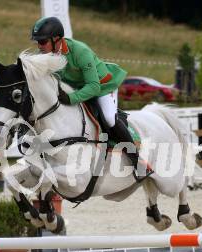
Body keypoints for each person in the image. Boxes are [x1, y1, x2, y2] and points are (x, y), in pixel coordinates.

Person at [31, 17, 153, 181]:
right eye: (37, 42)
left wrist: (72, 98)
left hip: (102, 85)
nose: (39, 46)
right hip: (77, 88)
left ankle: (137, 161)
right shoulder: (47, 55)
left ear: (57, 39)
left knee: (109, 118)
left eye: (43, 41)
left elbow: (93, 86)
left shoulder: (80, 51)